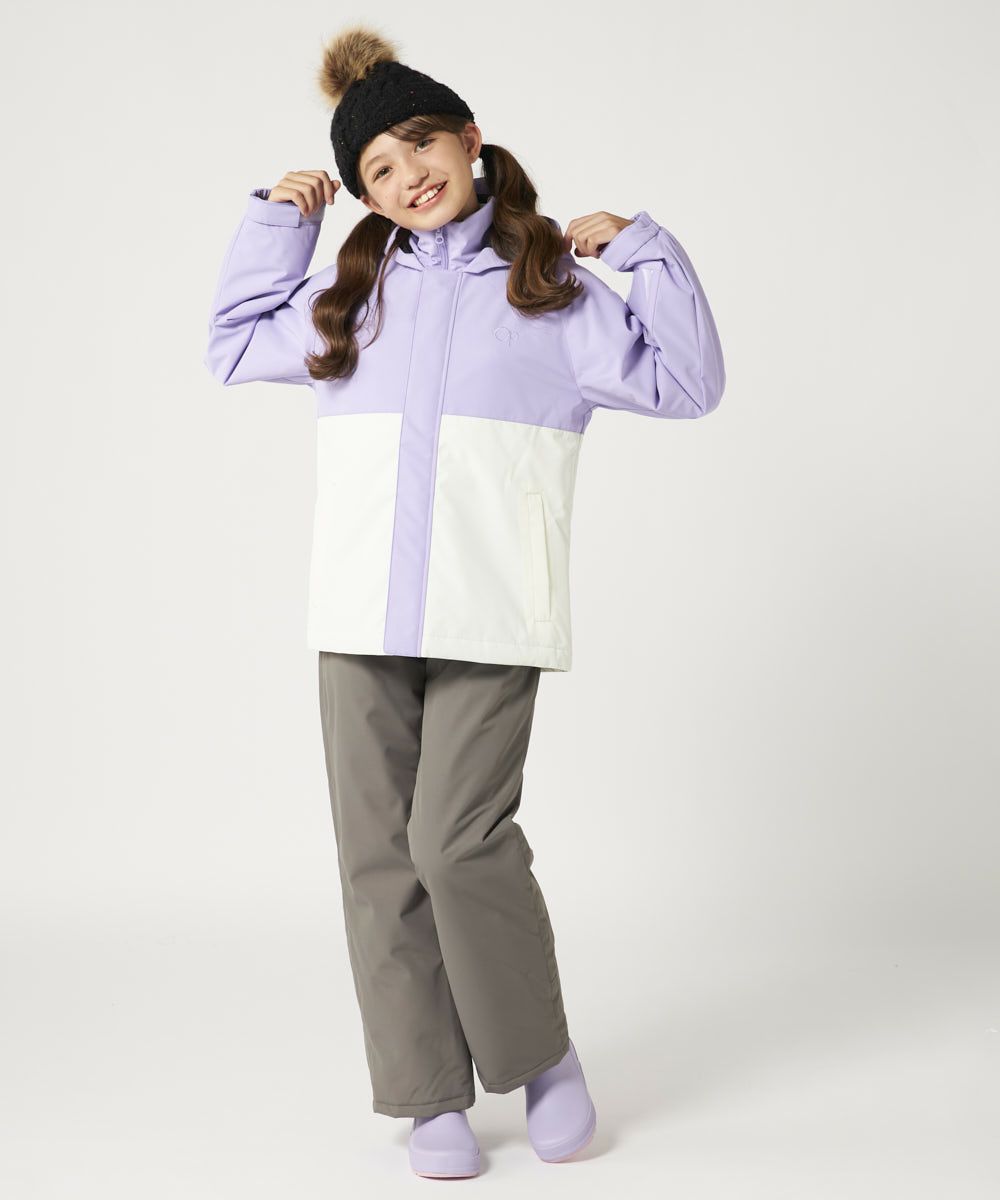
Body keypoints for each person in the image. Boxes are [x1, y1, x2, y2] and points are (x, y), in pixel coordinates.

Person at [203, 23, 726, 1180]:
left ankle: (540, 1057)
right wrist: (280, 226)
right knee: (378, 863)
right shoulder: (352, 294)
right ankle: (425, 1092)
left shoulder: (551, 289)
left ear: (470, 138)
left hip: (492, 611)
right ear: (363, 196)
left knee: (455, 842)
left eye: (420, 145)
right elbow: (230, 347)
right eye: (378, 169)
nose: (409, 176)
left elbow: (688, 381)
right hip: (358, 615)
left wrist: (646, 251)